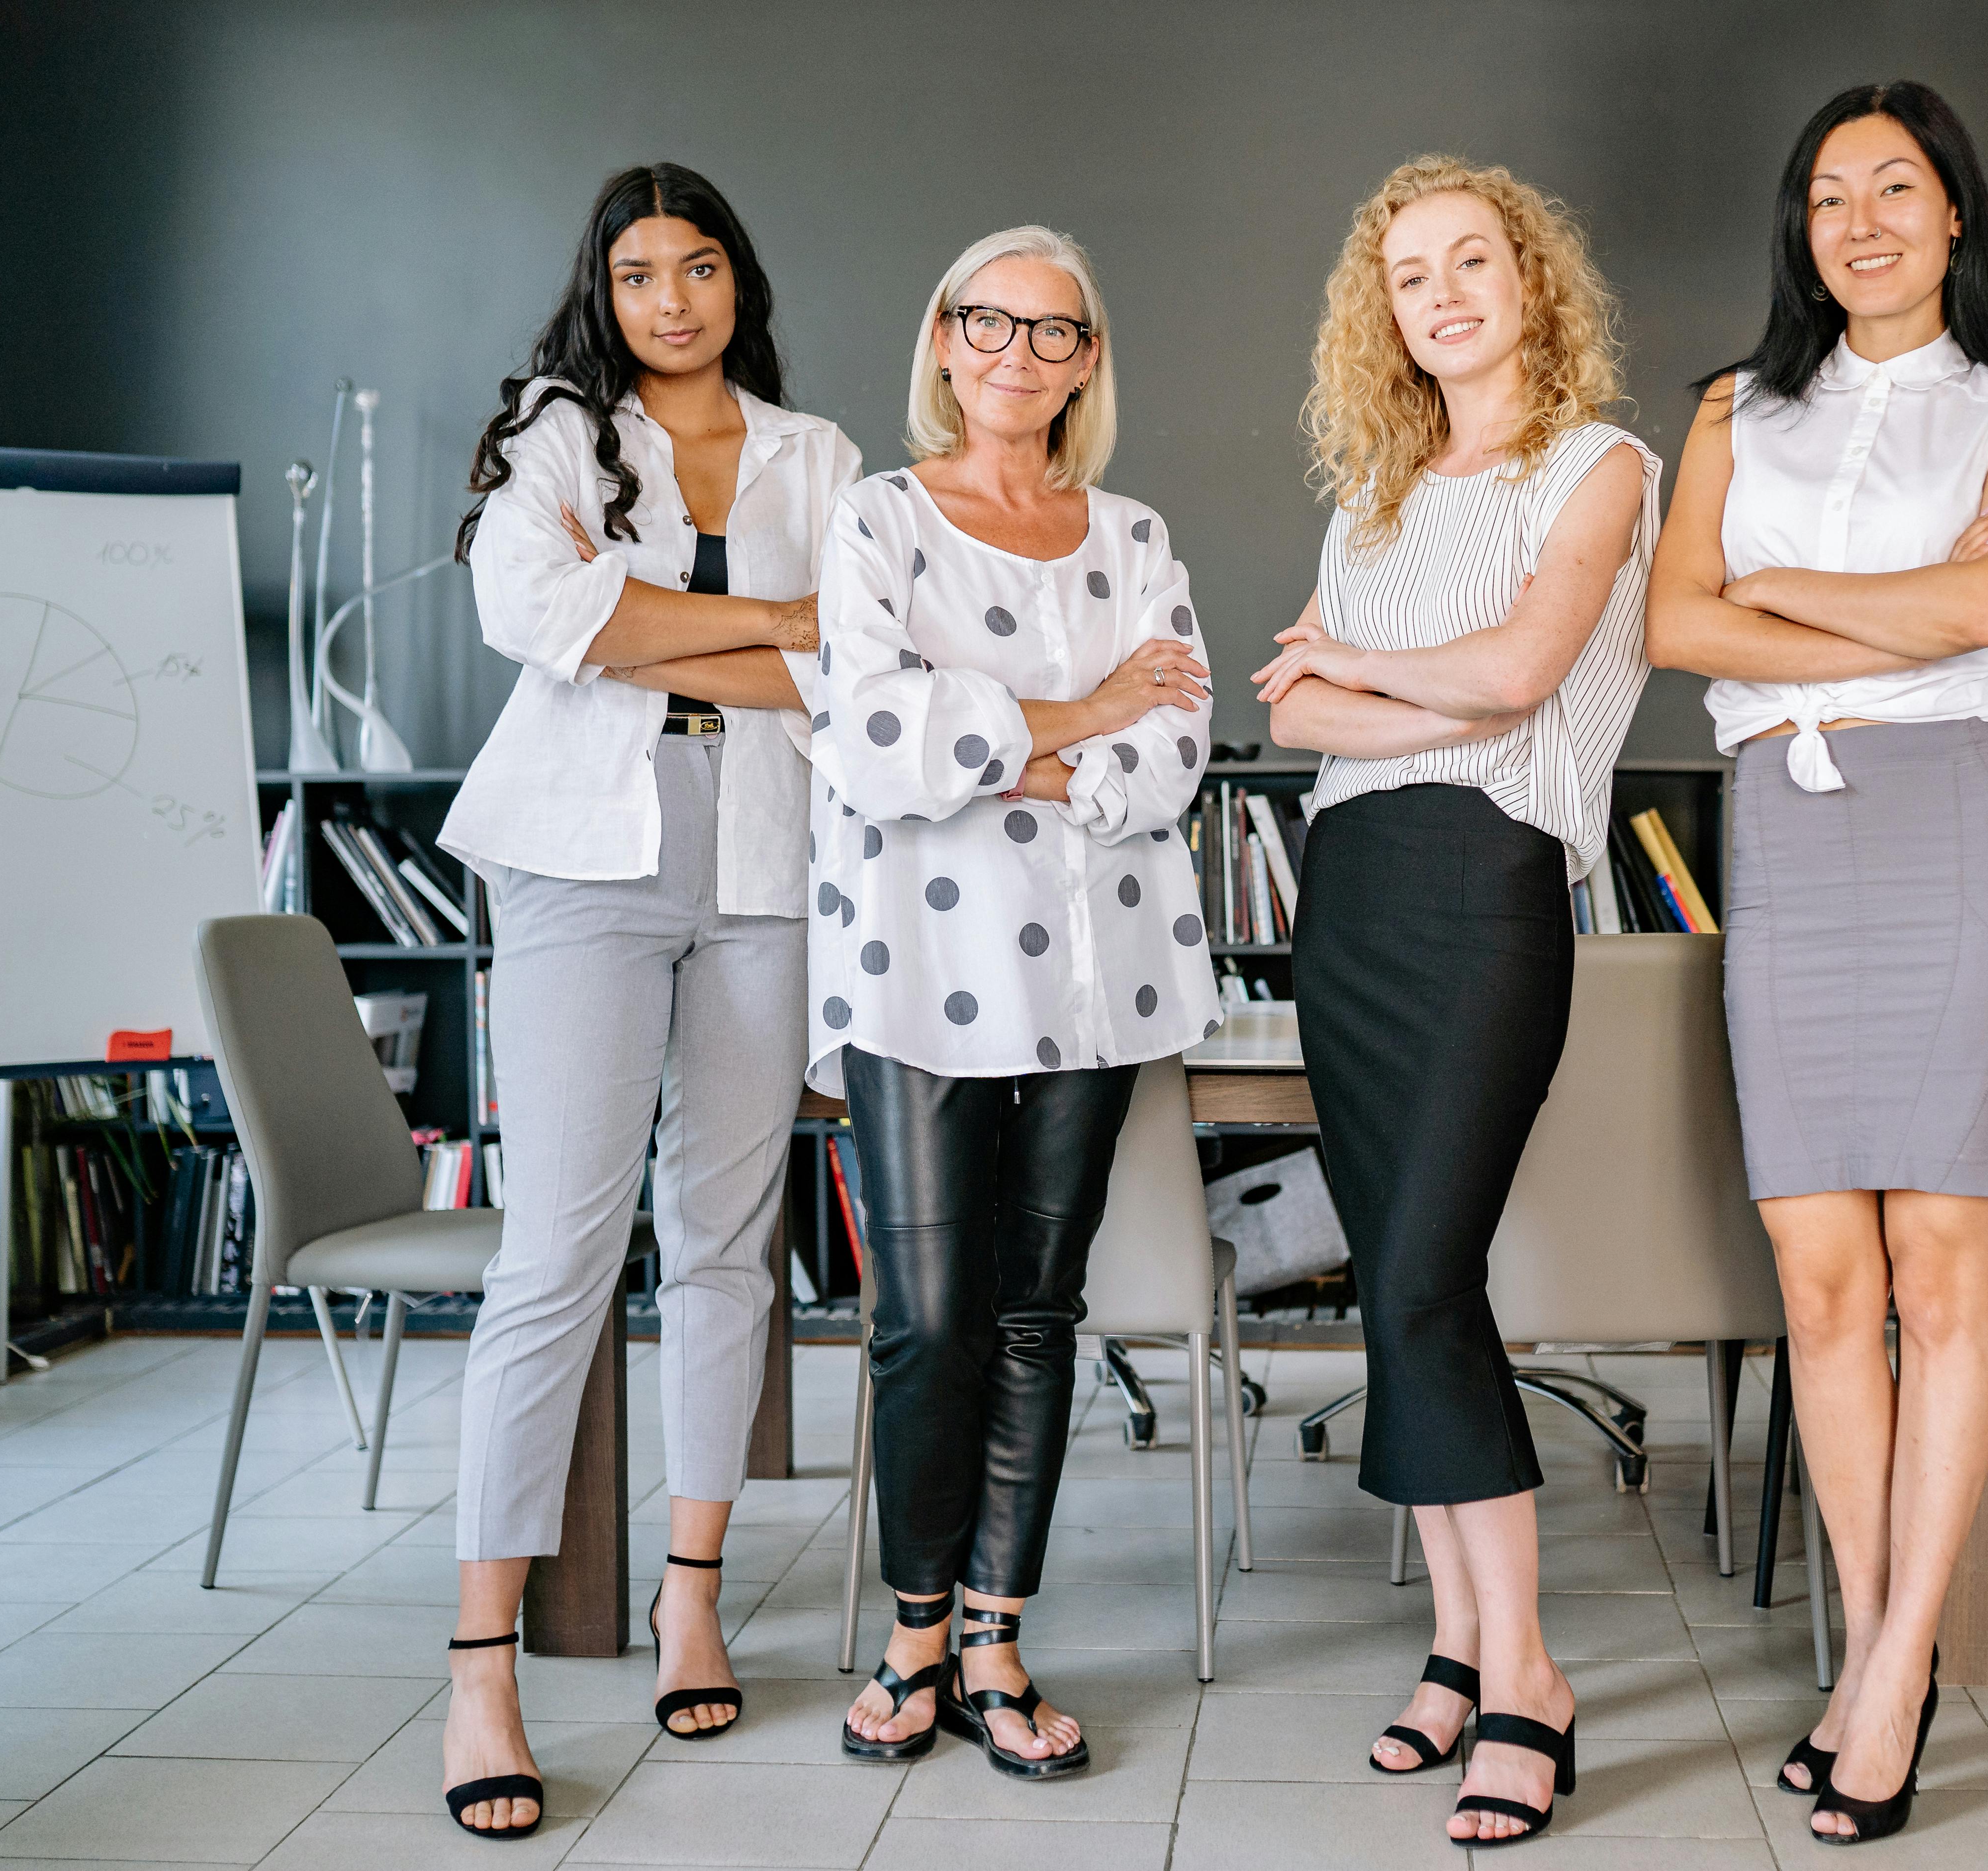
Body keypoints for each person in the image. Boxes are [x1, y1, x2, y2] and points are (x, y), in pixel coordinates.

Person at [1644, 81, 1988, 1846]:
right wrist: (1866, 592)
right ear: (1802, 230)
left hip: (1955, 824)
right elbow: (1674, 625)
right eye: (1831, 195)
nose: (1864, 219)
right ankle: (1878, 1637)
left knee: (1946, 1275)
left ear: (1956, 215)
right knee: (1825, 1278)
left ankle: (1888, 1673)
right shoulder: (1731, 408)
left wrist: (1783, 596)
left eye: (1899, 187)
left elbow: (1986, 617)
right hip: (1795, 839)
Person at [433, 163, 860, 1839]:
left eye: (697, 267)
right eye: (636, 272)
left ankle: (694, 1588)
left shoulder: (816, 456)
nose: (670, 299)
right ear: (601, 292)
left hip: (763, 859)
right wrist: (765, 621)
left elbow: (857, 665)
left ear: (738, 280)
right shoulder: (555, 433)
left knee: (725, 1241)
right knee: (554, 1257)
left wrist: (639, 628)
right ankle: (483, 1670)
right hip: (580, 862)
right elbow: (530, 613)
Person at [1255, 155, 1656, 1848]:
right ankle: (1453, 1640)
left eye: (1471, 261)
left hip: (1493, 888)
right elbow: (1294, 717)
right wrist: (1423, 685)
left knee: (1421, 1274)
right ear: (1388, 313)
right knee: (1407, 1286)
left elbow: (1524, 677)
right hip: (1348, 902)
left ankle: (1530, 1681)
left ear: (1530, 279)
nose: (1444, 295)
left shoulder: (1604, 466)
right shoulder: (1377, 497)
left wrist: (1387, 675)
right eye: (1411, 275)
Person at [815, 225, 1218, 1782]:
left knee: (1039, 1313)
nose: (1017, 354)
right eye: (989, 322)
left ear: (1088, 362)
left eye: (1055, 333)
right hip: (910, 971)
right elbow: (867, 739)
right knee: (927, 1318)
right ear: (943, 336)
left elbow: (1170, 751)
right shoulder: (878, 522)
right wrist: (1078, 719)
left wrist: (998, 748)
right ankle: (911, 1629)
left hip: (1092, 971)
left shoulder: (1132, 536)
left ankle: (992, 1636)